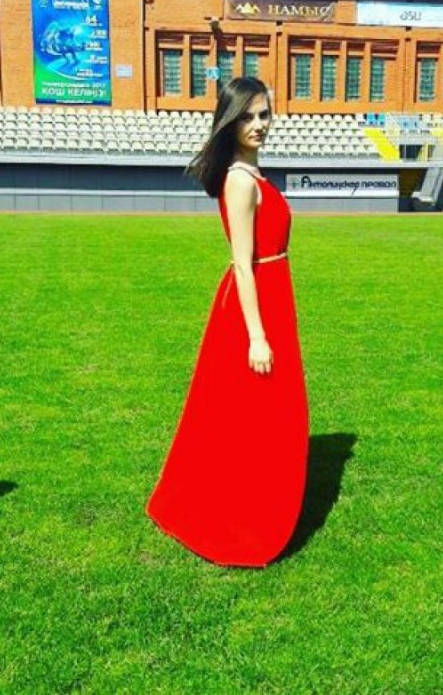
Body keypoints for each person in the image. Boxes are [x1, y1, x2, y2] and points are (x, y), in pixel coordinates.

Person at [145, 77, 309, 568]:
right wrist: (257, 336)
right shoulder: (239, 180)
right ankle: (235, 510)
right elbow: (242, 262)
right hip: (252, 301)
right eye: (247, 117)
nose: (258, 125)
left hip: (273, 291)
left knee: (260, 412)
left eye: (264, 114)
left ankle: (255, 494)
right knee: (249, 412)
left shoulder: (255, 173)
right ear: (230, 122)